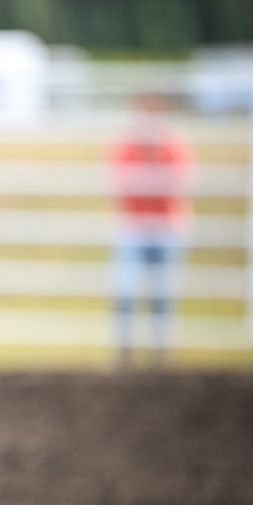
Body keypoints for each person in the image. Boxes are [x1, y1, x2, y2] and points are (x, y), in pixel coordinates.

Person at [108, 93, 193, 364]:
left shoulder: (173, 145)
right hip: (135, 226)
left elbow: (175, 184)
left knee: (163, 294)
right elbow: (122, 184)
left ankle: (160, 351)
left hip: (167, 226)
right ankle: (124, 349)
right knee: (125, 290)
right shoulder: (128, 146)